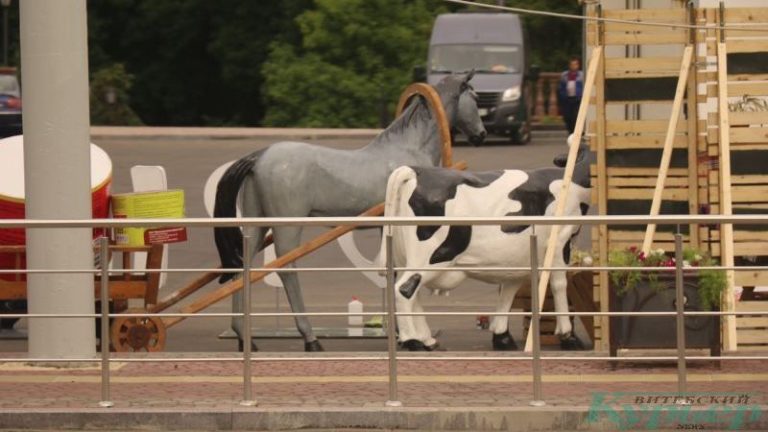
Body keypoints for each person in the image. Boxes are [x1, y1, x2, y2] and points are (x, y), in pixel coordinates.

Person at [557, 56, 584, 134]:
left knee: (576, 116)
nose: (574, 66)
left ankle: (577, 132)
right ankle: (570, 131)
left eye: (575, 64)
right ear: (569, 65)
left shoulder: (581, 75)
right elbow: (561, 87)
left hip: (577, 99)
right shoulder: (564, 75)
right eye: (572, 64)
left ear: (578, 65)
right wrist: (562, 96)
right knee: (567, 117)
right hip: (567, 99)